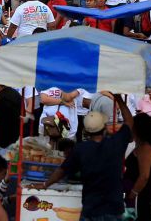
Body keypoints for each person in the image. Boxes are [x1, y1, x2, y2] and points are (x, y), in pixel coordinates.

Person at [44, 91, 134, 221]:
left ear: (86, 130)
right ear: (104, 127)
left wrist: (45, 184)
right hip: (114, 208)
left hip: (91, 209)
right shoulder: (116, 142)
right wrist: (119, 99)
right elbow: (129, 122)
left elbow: (62, 170)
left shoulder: (80, 149)